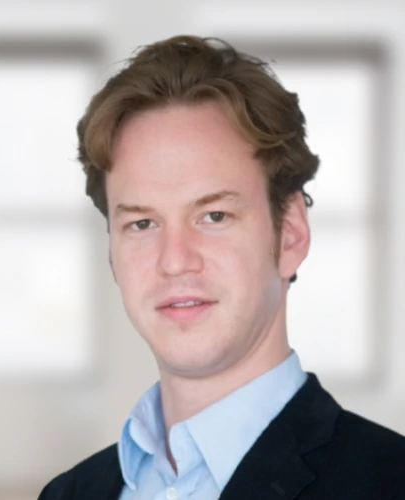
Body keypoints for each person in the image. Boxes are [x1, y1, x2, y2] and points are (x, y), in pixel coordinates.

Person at [38, 35, 405, 499]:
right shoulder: (67, 494)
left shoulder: (390, 482)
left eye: (214, 216)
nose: (175, 260)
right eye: (142, 223)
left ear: (290, 233)